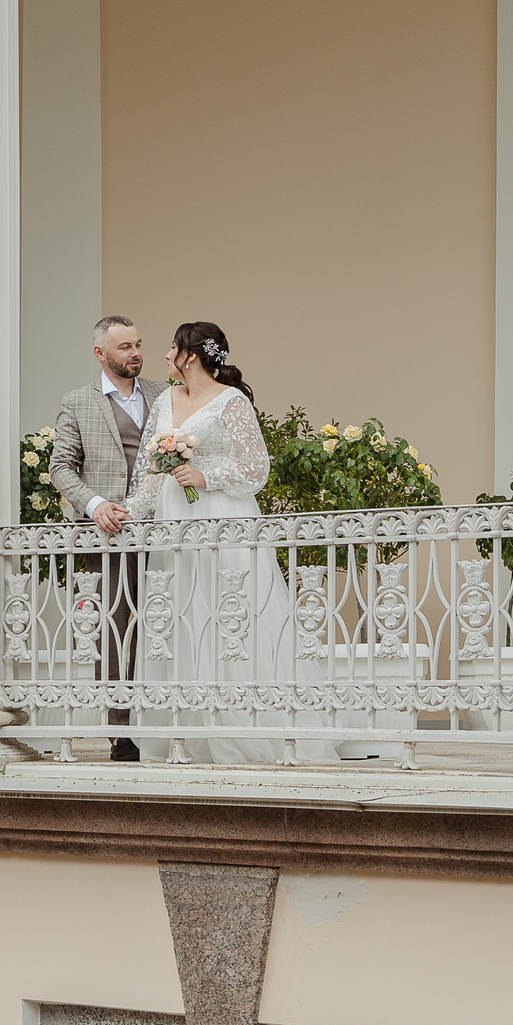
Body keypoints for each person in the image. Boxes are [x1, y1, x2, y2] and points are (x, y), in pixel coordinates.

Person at [121, 320, 319, 765]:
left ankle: (242, 726)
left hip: (222, 518)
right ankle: (184, 730)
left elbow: (256, 467)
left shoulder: (231, 401)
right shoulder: (165, 400)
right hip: (174, 521)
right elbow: (152, 471)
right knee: (181, 611)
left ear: (190, 355)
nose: (165, 355)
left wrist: (204, 475)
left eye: (172, 347)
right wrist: (131, 511)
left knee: (228, 610)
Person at [48, 316, 164, 762]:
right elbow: (61, 467)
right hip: (109, 535)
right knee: (114, 628)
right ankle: (121, 730)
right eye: (124, 347)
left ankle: (164, 719)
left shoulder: (163, 394)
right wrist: (95, 505)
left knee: (164, 622)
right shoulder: (78, 402)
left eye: (138, 345)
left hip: (161, 530)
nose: (135, 354)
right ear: (100, 353)